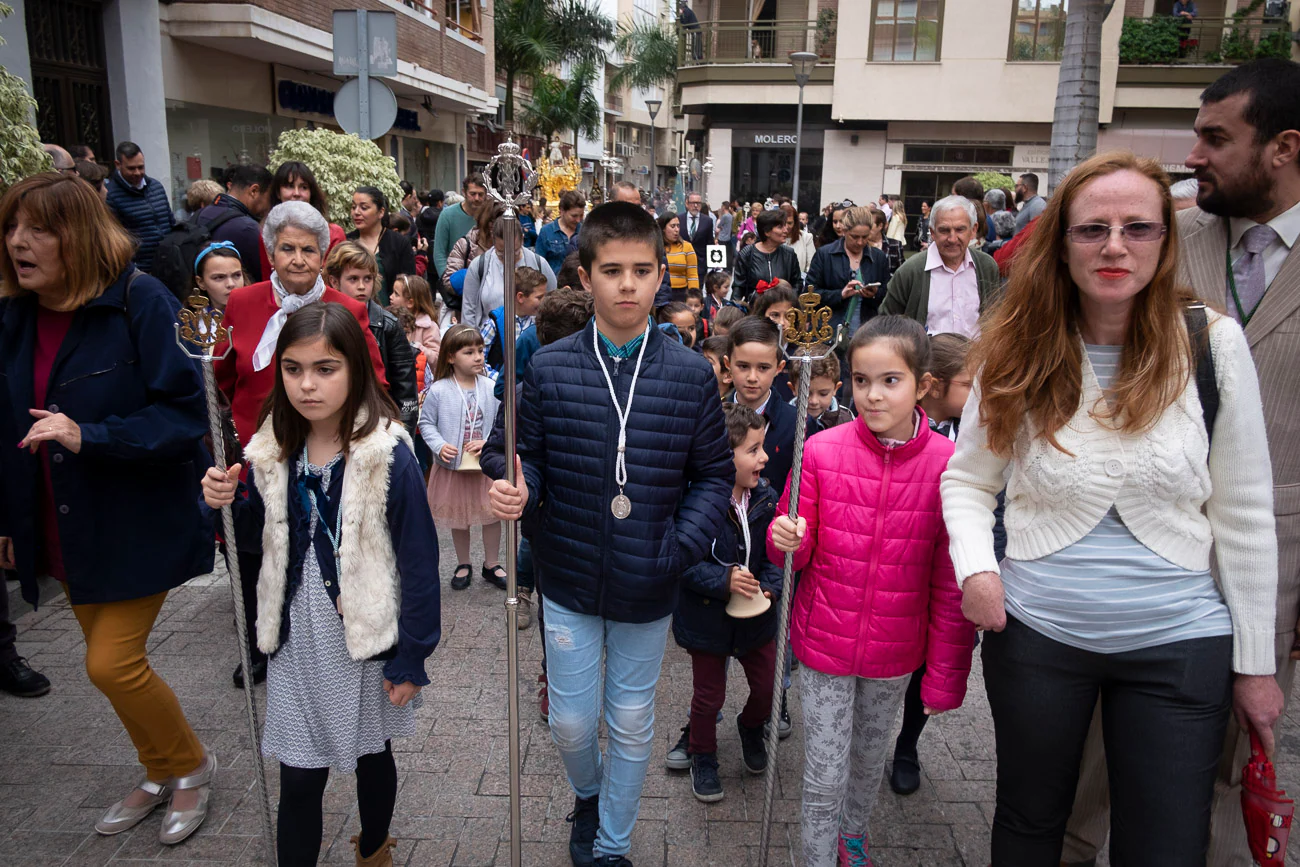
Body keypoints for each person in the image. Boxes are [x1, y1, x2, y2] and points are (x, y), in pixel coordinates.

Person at [941, 151, 1280, 864]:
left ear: (1167, 238)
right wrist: (977, 569)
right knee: (1031, 826)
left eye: (1139, 228)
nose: (1116, 246)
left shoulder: (1212, 344)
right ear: (1061, 242)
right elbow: (968, 480)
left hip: (1181, 644)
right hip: (1038, 635)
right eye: (1093, 229)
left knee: (1165, 844)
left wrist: (1254, 663)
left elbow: (1245, 511)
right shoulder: (1019, 349)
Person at [1063, 59, 1300, 867]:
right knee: (1086, 760)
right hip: (1125, 549)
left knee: (1229, 762)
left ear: (1283, 148)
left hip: (1276, 557)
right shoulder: (1160, 239)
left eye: (1215, 137)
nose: (1193, 155)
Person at [485, 202, 734, 867]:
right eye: (613, 270)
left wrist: (677, 548)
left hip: (649, 580)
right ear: (586, 276)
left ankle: (613, 844)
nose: (628, 284)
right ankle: (588, 793)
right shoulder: (549, 365)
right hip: (566, 571)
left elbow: (713, 474)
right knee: (569, 721)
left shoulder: (688, 374)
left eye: (642, 270)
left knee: (628, 718)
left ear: (661, 278)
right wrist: (518, 483)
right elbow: (515, 450)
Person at [0, 172, 215, 842]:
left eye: (38, 228)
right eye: (11, 226)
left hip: (134, 522)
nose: (18, 242)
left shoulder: (145, 299)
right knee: (109, 665)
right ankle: (157, 769)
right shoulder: (14, 315)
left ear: (81, 234)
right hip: (62, 523)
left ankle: (190, 766)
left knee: (109, 663)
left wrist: (88, 433)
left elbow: (188, 416)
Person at [201, 303, 440, 867]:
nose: (307, 384)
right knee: (299, 780)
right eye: (293, 368)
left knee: (372, 757)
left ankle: (374, 848)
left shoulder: (388, 454)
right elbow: (254, 541)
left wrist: (412, 657)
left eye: (325, 368)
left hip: (362, 637)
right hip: (296, 640)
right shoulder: (269, 449)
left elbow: (419, 560)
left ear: (355, 368)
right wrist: (221, 505)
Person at [769, 315, 974, 867]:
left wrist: (944, 674)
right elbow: (792, 546)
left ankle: (851, 839)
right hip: (824, 644)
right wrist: (784, 535)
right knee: (824, 770)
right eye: (861, 380)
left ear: (922, 384)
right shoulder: (818, 450)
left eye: (890, 380)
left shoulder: (948, 467)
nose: (873, 394)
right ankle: (813, 857)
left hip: (895, 652)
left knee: (865, 763)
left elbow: (948, 583)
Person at [216, 202, 387, 687]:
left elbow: (373, 384)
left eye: (308, 250)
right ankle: (258, 644)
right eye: (286, 248)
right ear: (270, 251)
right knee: (255, 549)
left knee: (318, 547)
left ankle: (329, 637)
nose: (296, 259)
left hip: (325, 451)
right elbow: (225, 376)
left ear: (323, 253)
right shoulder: (243, 303)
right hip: (261, 454)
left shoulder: (347, 308)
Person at [669, 402, 782, 803]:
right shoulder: (694, 502)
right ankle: (703, 753)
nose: (764, 458)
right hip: (708, 621)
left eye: (762, 447)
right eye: (753, 450)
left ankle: (751, 726)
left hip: (756, 620)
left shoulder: (765, 498)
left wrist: (769, 586)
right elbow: (681, 562)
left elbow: (774, 554)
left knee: (769, 686)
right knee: (708, 696)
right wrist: (722, 579)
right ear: (722, 455)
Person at [888, 332, 972, 797]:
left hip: (945, 573)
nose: (975, 394)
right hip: (900, 566)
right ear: (934, 385)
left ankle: (907, 745)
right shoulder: (897, 428)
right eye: (967, 383)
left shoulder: (975, 435)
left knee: (930, 663)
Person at [419, 324, 505, 592]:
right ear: (450, 357)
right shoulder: (439, 390)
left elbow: (502, 423)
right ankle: (463, 562)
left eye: (480, 350)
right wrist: (439, 444)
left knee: (492, 515)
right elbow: (426, 423)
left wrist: (490, 441)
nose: (478, 357)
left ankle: (492, 563)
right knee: (459, 517)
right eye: (469, 352)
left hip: (485, 466)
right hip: (453, 467)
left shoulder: (491, 387)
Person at [322, 243, 419, 435]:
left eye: (367, 279)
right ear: (334, 281)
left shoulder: (388, 325)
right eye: (353, 279)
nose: (361, 286)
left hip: (378, 423)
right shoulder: (321, 320)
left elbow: (406, 390)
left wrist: (403, 437)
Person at [879, 195, 1000, 339]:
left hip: (976, 359)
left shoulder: (986, 267)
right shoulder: (911, 271)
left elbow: (994, 318)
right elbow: (885, 323)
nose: (952, 239)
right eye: (944, 230)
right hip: (926, 361)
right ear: (933, 232)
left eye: (960, 229)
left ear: (973, 230)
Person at [460, 214, 557, 330]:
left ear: (522, 239)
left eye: (514, 251)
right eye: (501, 252)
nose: (508, 257)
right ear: (493, 240)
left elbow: (553, 303)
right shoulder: (479, 266)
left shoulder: (539, 263)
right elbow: (469, 310)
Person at [808, 205, 890, 339]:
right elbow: (809, 294)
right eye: (855, 237)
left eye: (865, 237)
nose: (860, 242)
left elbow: (887, 295)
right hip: (829, 332)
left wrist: (874, 294)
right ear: (844, 231)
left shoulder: (878, 257)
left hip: (867, 333)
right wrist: (840, 294)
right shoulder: (825, 254)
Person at [197, 164, 272, 284]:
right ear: (254, 191)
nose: (269, 205)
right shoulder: (248, 229)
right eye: (269, 198)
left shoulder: (200, 214)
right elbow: (263, 281)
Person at [105, 141, 174, 272]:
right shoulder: (110, 195)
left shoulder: (156, 187)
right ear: (118, 165)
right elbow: (114, 238)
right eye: (131, 168)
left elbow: (170, 221)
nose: (137, 173)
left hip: (168, 263)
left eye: (141, 167)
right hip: (140, 268)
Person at [347, 187, 417, 306]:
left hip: (391, 317)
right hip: (352, 315)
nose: (356, 212)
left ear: (381, 212)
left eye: (364, 207)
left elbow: (409, 285)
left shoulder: (399, 243)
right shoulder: (346, 242)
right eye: (354, 207)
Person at [481, 266, 547, 378]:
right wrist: (499, 379)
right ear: (520, 297)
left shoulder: (540, 321)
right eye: (539, 297)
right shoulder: (495, 323)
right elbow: (480, 359)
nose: (544, 301)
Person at [271, 161, 347, 258]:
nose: (297, 193)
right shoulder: (267, 235)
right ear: (278, 193)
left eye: (304, 187)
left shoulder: (333, 234)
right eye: (290, 186)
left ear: (311, 193)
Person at [733, 210, 803, 301]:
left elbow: (797, 284)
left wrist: (787, 298)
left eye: (785, 225)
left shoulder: (789, 254)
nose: (786, 230)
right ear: (767, 232)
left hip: (783, 310)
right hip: (754, 311)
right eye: (780, 227)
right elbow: (738, 289)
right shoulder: (747, 254)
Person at [433, 173, 487, 283]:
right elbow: (439, 252)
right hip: (455, 279)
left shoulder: (489, 216)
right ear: (464, 192)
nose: (477, 198)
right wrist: (447, 279)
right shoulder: (447, 215)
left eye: (480, 194)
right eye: (473, 194)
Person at [793, 352, 854, 435]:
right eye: (806, 393)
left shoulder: (846, 420)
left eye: (823, 394)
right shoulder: (782, 418)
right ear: (793, 389)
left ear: (836, 389)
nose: (814, 401)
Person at [389, 273, 441, 362]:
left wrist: (414, 346)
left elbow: (436, 359)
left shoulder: (429, 327)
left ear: (410, 302)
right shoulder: (391, 321)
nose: (391, 297)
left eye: (396, 294)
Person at [536, 190, 585, 275]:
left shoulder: (584, 231)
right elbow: (538, 264)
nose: (578, 220)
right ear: (562, 211)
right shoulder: (546, 232)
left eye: (581, 215)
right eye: (574, 216)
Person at [193, 241, 246, 314]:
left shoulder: (262, 313)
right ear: (201, 282)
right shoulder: (191, 322)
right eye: (219, 277)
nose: (231, 284)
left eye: (237, 275)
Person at [660, 211, 700, 300]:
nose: (676, 229)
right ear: (663, 228)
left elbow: (692, 275)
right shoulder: (656, 247)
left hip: (681, 294)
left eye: (678, 226)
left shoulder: (687, 247)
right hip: (661, 293)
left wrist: (694, 297)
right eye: (673, 226)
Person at [784, 203, 815, 277]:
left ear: (795, 222)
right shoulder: (774, 237)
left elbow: (811, 265)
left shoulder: (806, 237)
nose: (786, 226)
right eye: (783, 223)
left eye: (789, 223)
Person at [679, 192, 714, 257]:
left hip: (701, 262)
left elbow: (710, 243)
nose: (695, 206)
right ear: (687, 204)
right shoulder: (679, 219)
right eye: (693, 203)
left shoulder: (707, 221)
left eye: (698, 203)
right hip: (682, 260)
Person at [716, 200, 736, 265]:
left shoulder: (724, 216)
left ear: (724, 207)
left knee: (720, 253)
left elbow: (719, 225)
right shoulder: (730, 216)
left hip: (722, 237)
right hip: (728, 236)